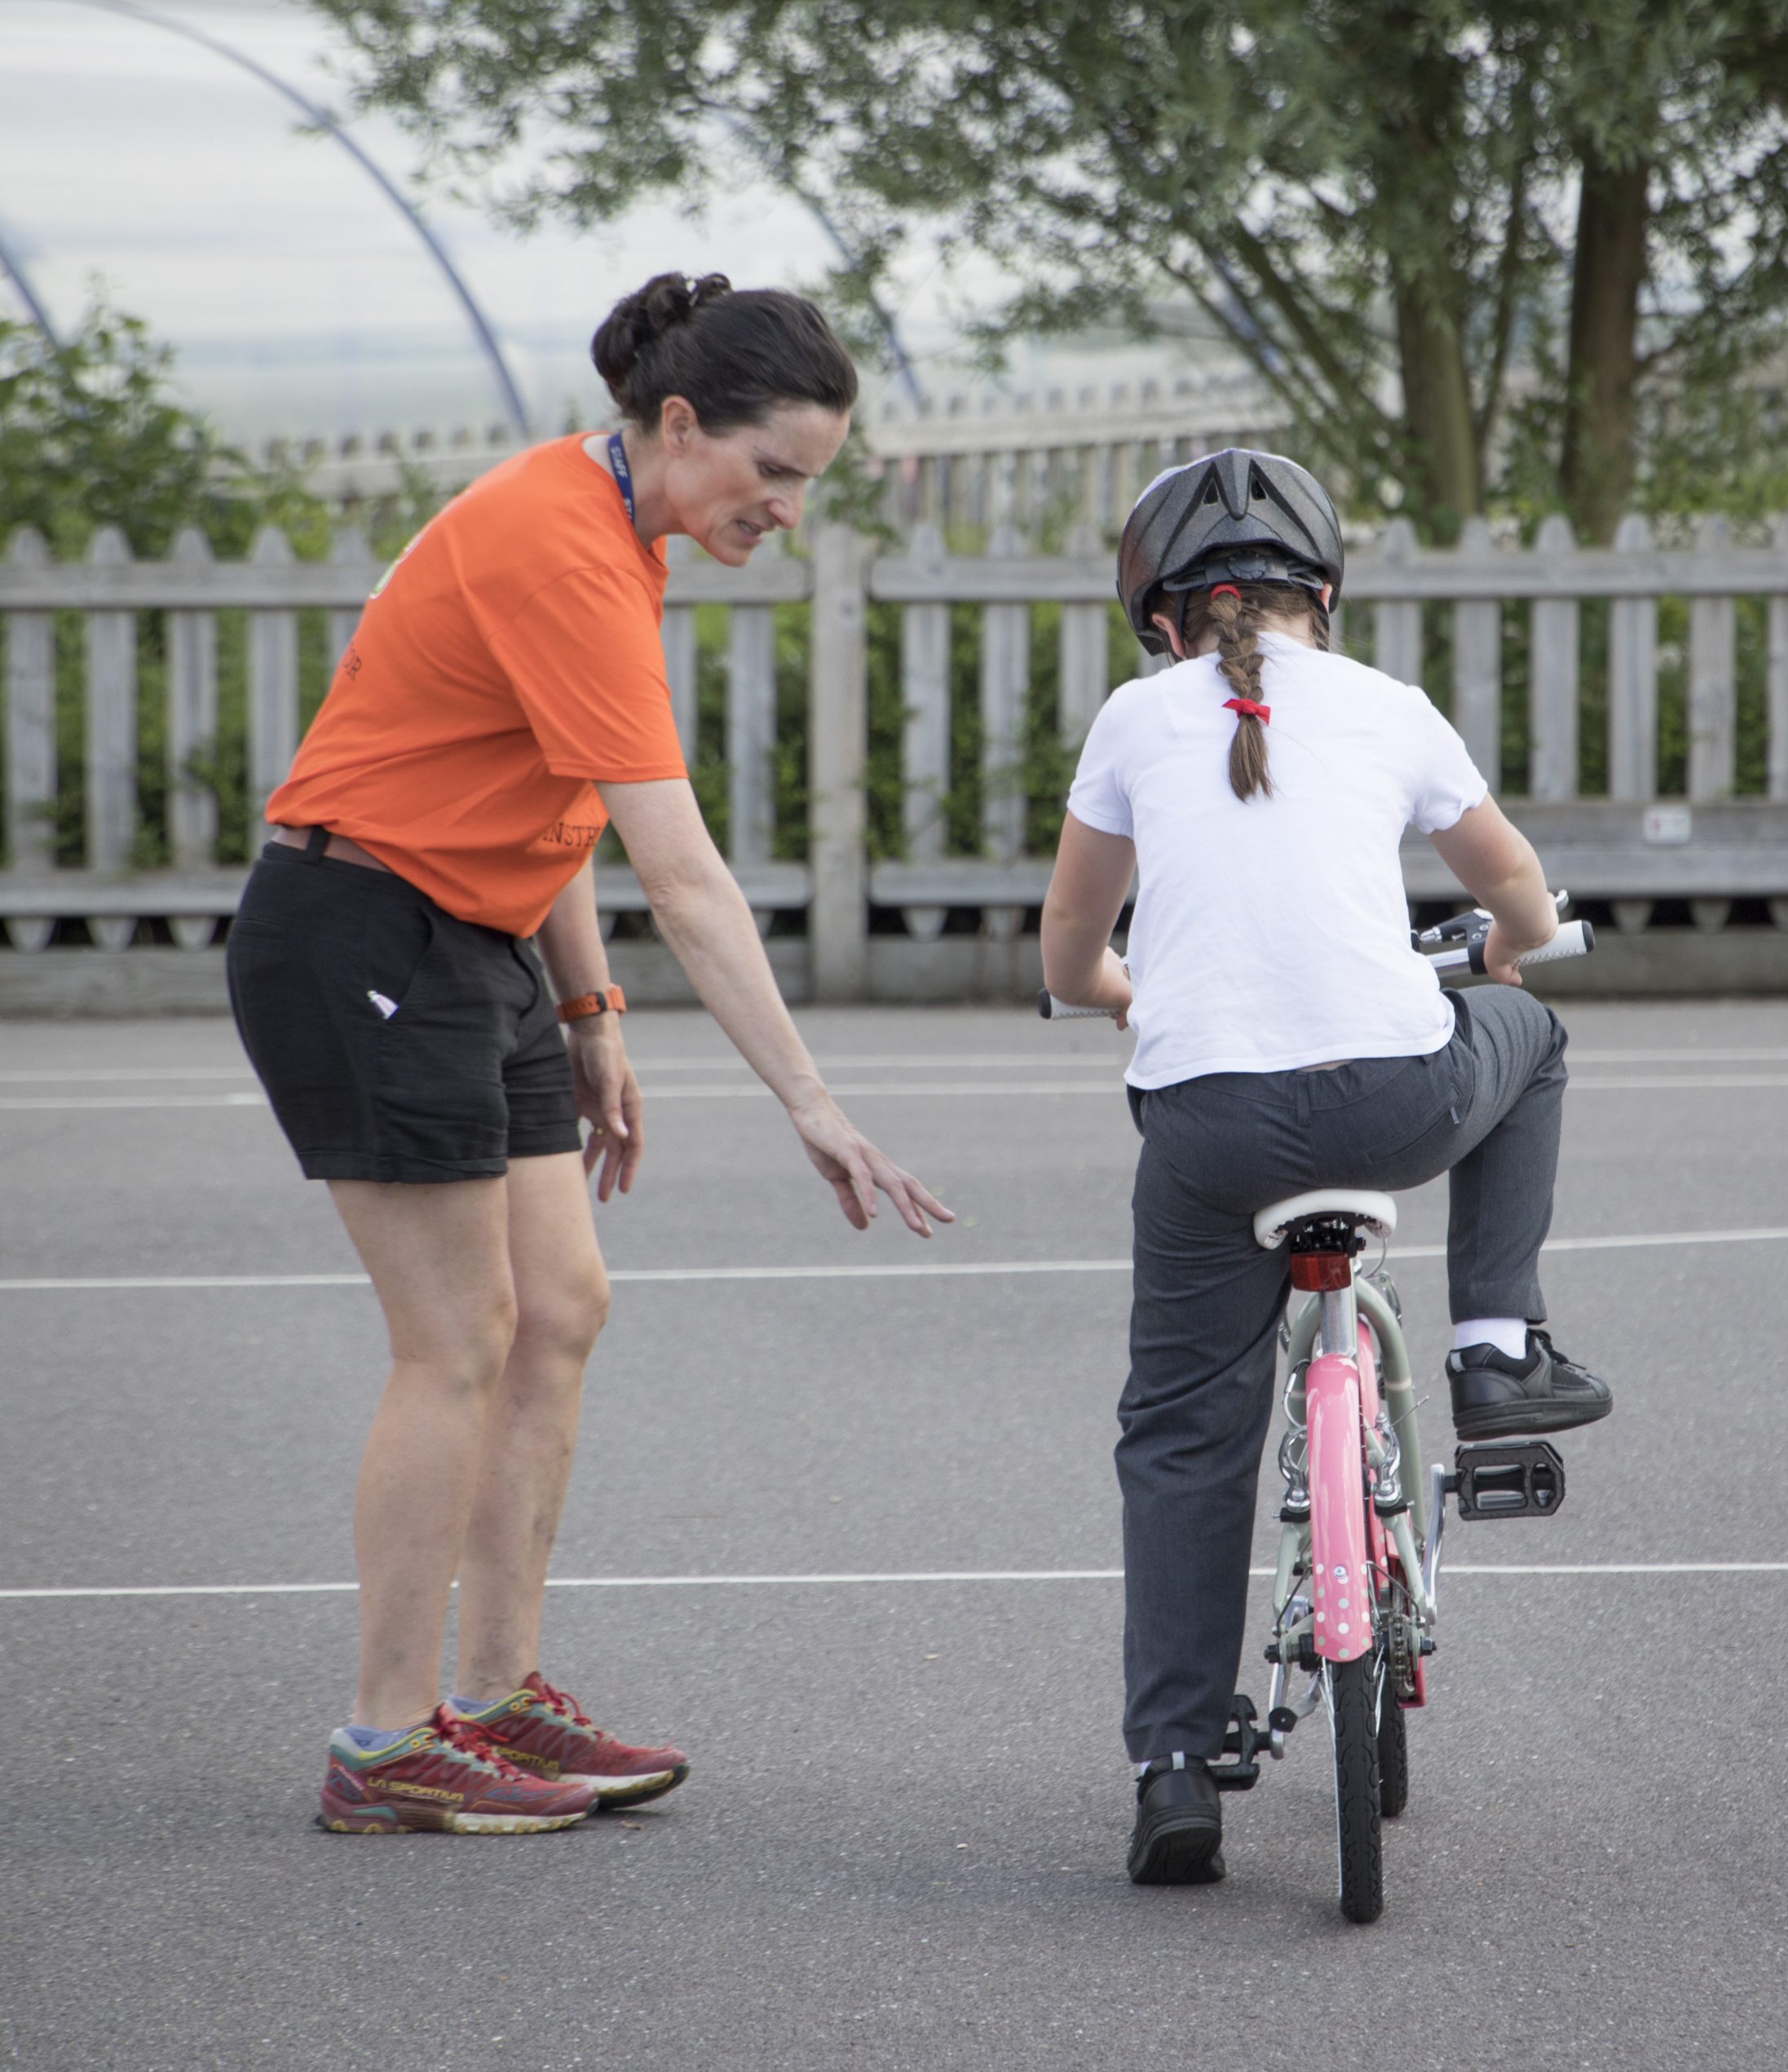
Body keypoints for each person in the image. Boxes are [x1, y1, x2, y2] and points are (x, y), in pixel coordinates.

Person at [227, 272, 952, 1836]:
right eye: (775, 472)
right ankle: (385, 1739)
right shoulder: (561, 541)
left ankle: (493, 1694)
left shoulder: (622, 525)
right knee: (459, 1334)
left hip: (474, 941)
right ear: (680, 424)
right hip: (359, 932)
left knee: (562, 1304)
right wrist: (812, 1106)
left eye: (808, 480)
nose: (788, 509)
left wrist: (588, 1011)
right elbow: (684, 875)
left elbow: (545, 791)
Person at [1038, 448, 1613, 1886]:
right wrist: (1492, 954)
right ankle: (1494, 1345)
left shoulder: (1132, 719)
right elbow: (1523, 903)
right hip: (1396, 1098)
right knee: (1529, 1035)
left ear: (1162, 618)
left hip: (1206, 1129)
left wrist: (1129, 991)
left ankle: (1174, 1762)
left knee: (1179, 1428)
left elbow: (1064, 956)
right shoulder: (1391, 708)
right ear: (1326, 596)